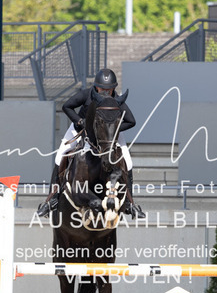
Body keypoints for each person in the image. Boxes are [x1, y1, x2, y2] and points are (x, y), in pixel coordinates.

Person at [37, 68, 145, 219]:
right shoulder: (86, 94)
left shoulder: (116, 99)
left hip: (108, 136)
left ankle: (130, 203)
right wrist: (79, 121)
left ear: (114, 88)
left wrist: (112, 130)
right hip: (79, 130)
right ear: (96, 87)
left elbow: (131, 121)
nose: (106, 92)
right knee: (60, 155)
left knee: (128, 161)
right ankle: (52, 199)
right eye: (102, 89)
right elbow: (66, 106)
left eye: (109, 89)